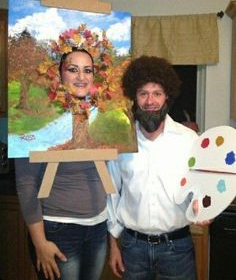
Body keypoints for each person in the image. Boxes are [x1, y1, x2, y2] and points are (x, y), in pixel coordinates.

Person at [107, 55, 209, 280]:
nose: (149, 101)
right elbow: (112, 193)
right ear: (134, 96)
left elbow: (201, 187)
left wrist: (204, 206)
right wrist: (113, 244)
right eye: (143, 93)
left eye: (157, 93)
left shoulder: (188, 139)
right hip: (132, 249)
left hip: (177, 250)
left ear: (167, 97)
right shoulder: (121, 141)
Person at [15, 48, 107, 280]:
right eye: (73, 70)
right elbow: (26, 182)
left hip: (98, 226)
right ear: (59, 74)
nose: (81, 77)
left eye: (87, 70)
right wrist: (39, 241)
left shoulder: (103, 115)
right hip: (58, 228)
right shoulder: (39, 118)